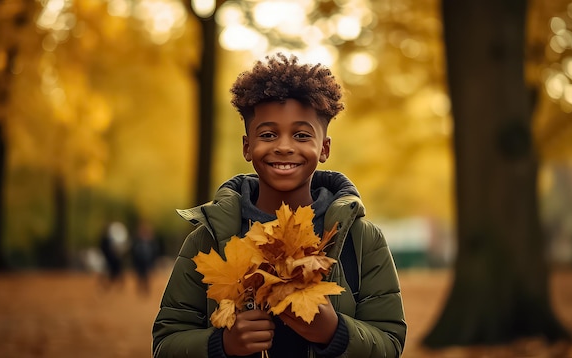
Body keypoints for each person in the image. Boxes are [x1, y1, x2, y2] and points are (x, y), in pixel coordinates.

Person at [152, 53, 407, 357]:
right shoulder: (207, 240)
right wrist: (221, 345)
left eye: (301, 135)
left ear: (324, 148)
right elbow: (166, 343)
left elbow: (390, 343)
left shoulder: (361, 240)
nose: (284, 146)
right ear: (247, 146)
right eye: (269, 134)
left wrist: (334, 332)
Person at [131, 219, 160, 295]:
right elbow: (134, 252)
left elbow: (154, 252)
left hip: (147, 261)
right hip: (139, 261)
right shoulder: (137, 241)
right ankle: (140, 289)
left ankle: (146, 290)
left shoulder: (150, 242)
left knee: (147, 276)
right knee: (140, 276)